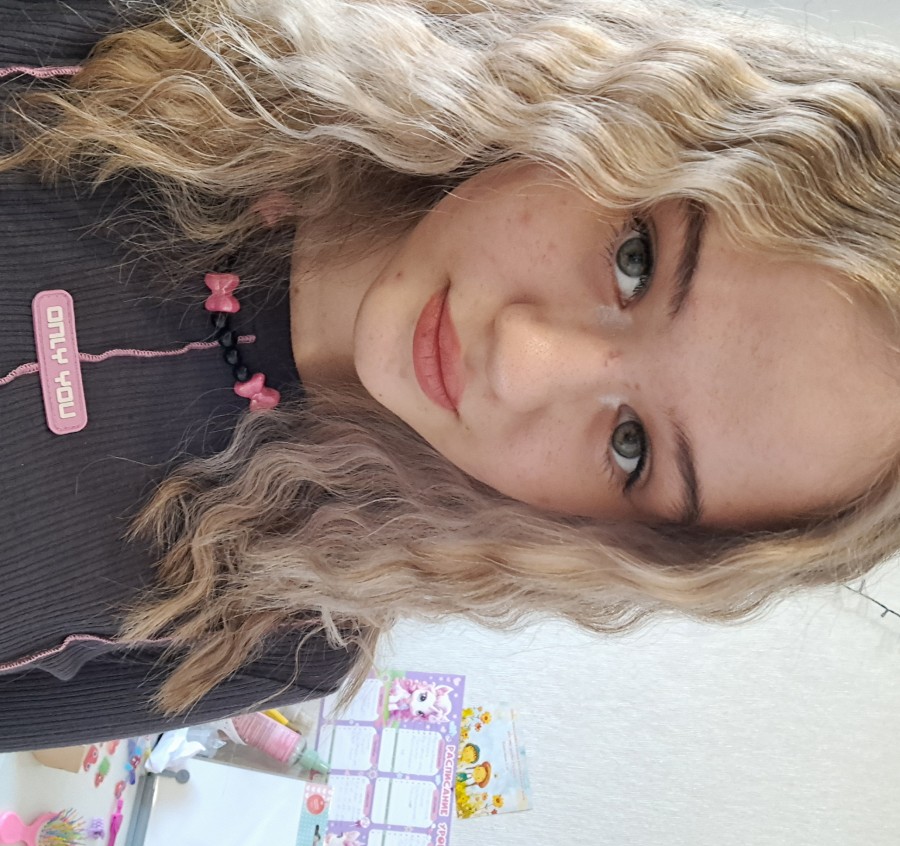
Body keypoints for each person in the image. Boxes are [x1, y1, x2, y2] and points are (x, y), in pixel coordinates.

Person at [1, 0, 898, 751]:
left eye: (631, 447)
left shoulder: (271, 634)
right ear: (638, 113)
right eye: (636, 260)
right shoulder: (164, 28)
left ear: (623, 538)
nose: (522, 359)